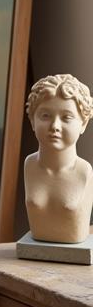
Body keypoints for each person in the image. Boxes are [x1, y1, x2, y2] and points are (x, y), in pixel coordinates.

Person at [23, 73, 93, 243]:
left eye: (66, 118)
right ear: (32, 120)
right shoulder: (29, 165)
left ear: (83, 123)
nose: (55, 126)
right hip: (35, 255)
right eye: (45, 116)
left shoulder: (84, 172)